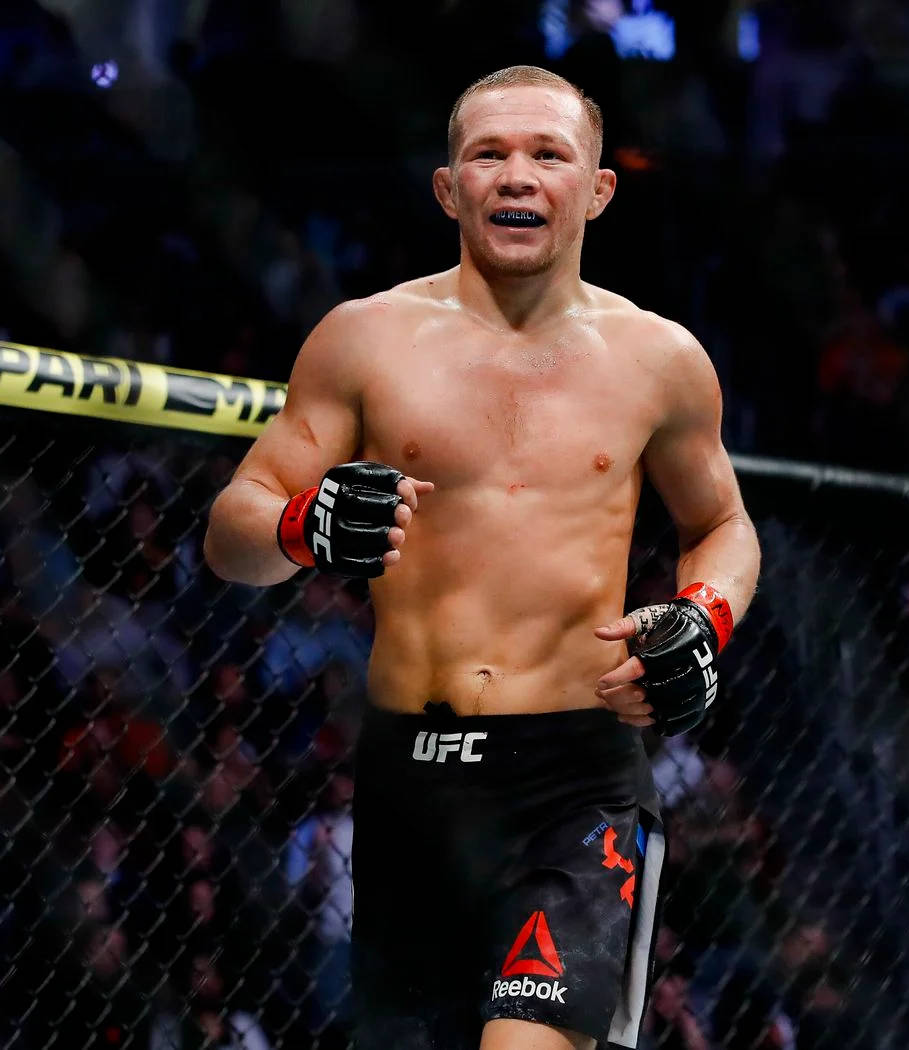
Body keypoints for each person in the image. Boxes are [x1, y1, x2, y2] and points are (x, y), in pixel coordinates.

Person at [203, 63, 761, 1050]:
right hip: (408, 781)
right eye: (487, 153)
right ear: (447, 187)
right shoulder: (362, 340)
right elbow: (232, 532)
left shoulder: (657, 357)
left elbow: (721, 525)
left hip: (573, 781)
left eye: (548, 154)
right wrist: (305, 527)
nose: (516, 175)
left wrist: (701, 619)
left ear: (596, 188)